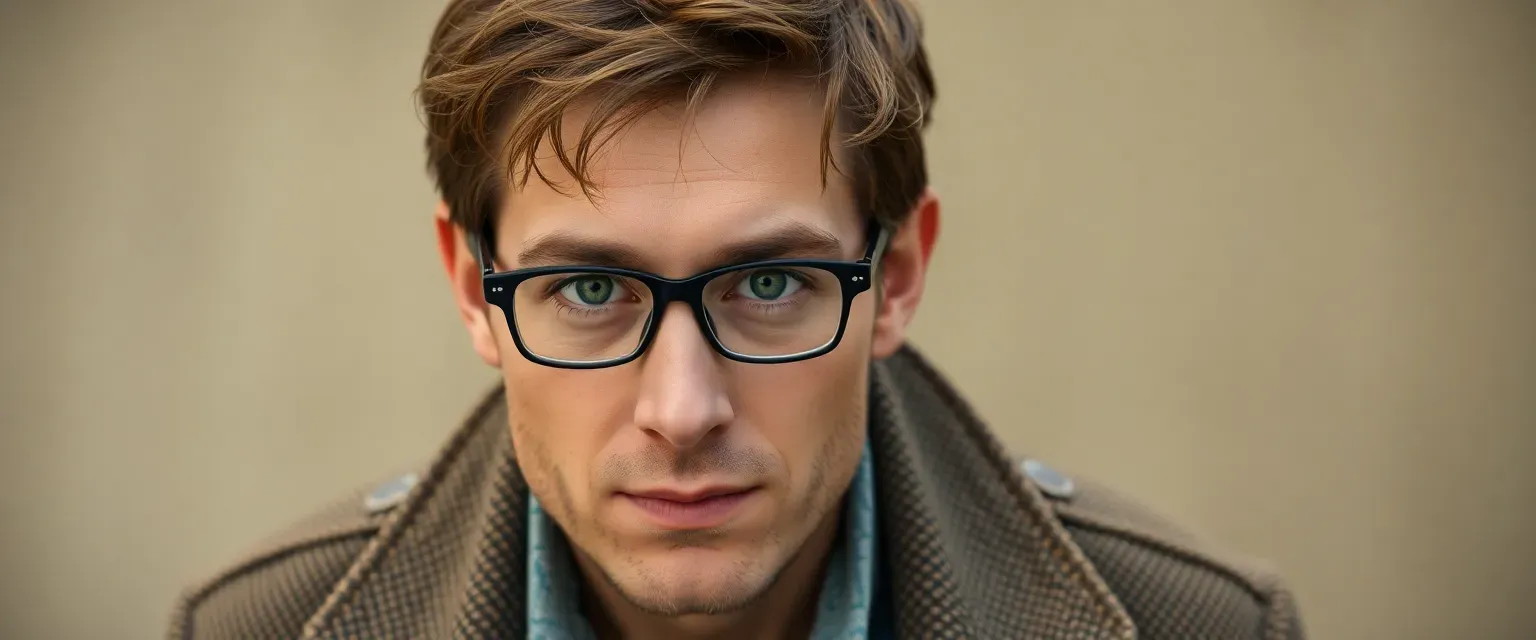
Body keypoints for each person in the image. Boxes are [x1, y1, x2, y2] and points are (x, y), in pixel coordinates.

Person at [169, 1, 1305, 638]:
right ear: (477, 293)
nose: (682, 409)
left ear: (896, 275)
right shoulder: (250, 634)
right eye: (589, 289)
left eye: (766, 285)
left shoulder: (1202, 631)